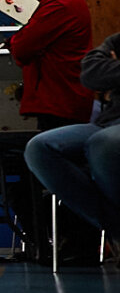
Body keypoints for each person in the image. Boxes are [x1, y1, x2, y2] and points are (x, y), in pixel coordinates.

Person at [24, 30, 120, 251]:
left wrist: (112, 71)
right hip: (109, 120)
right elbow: (90, 73)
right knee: (39, 148)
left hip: (107, 133)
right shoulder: (117, 40)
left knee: (103, 143)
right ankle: (116, 228)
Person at [9, 0, 93, 130]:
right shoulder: (67, 0)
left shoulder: (59, 5)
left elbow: (22, 48)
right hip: (63, 100)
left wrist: (15, 41)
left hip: (60, 102)